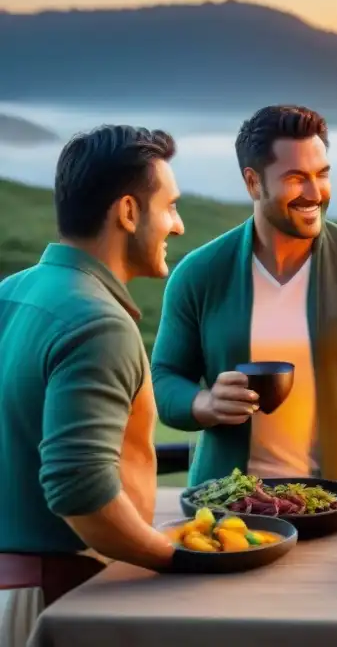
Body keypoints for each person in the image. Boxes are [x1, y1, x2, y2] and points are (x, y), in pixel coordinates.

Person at [151, 105, 337, 499]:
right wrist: (204, 403)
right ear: (253, 183)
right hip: (228, 507)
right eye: (297, 178)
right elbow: (164, 378)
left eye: (322, 174)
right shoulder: (199, 274)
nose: (315, 193)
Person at [0, 125, 184, 646]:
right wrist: (174, 557)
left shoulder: (9, 293)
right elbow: (80, 489)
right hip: (52, 598)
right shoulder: (97, 323)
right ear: (128, 212)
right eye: (169, 206)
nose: (178, 225)